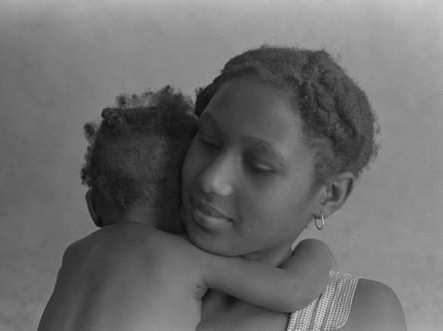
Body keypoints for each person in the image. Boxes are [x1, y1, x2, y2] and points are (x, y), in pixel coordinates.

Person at [38, 94, 334, 331]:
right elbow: (294, 290)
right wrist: (316, 249)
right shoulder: (188, 258)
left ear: (93, 207)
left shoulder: (74, 254)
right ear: (187, 207)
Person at [181, 45, 407, 330]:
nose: (211, 180)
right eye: (208, 141)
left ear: (330, 195)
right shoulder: (129, 262)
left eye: (259, 167)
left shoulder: (356, 314)